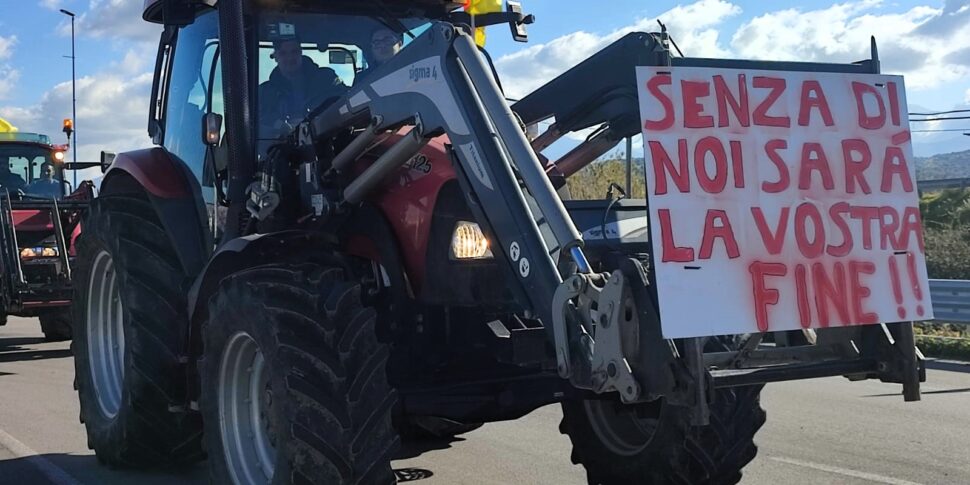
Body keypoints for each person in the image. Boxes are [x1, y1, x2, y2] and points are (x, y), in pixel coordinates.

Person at [259, 26, 349, 136]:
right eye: (283, 53)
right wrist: (280, 125)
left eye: (294, 51)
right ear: (276, 57)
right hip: (278, 146)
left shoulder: (327, 79)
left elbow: (344, 101)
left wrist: (316, 120)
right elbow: (256, 118)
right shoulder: (264, 92)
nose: (290, 57)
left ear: (301, 52)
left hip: (326, 142)